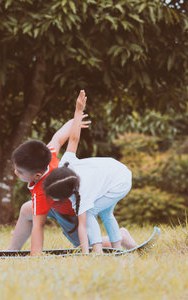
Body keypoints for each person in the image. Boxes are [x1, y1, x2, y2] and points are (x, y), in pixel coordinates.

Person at [9, 90, 136, 255]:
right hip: (59, 205)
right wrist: (75, 119)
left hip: (73, 211)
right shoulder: (48, 156)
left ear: (37, 176)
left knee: (83, 243)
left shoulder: (41, 191)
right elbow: (60, 137)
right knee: (27, 209)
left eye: (19, 172)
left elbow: (38, 226)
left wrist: (35, 255)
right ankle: (12, 249)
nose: (15, 172)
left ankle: (120, 237)